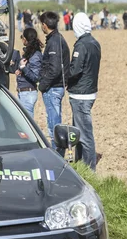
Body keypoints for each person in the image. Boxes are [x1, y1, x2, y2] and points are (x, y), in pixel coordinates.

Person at [67, 13, 101, 170]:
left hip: (80, 94)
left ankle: (89, 169)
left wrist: (63, 74)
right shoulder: (95, 43)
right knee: (79, 133)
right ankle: (80, 165)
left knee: (85, 135)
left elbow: (75, 70)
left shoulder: (81, 45)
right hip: (90, 91)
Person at [38, 11, 70, 156]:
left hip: (53, 88)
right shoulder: (55, 39)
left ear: (44, 25)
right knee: (54, 124)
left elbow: (55, 69)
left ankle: (57, 158)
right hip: (54, 87)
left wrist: (43, 85)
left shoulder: (55, 41)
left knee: (53, 127)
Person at [14, 27, 43, 118]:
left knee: (27, 124)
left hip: (28, 93)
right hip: (23, 92)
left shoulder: (35, 55)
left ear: (25, 39)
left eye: (22, 37)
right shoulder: (30, 53)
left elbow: (35, 76)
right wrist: (20, 70)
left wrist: (23, 67)